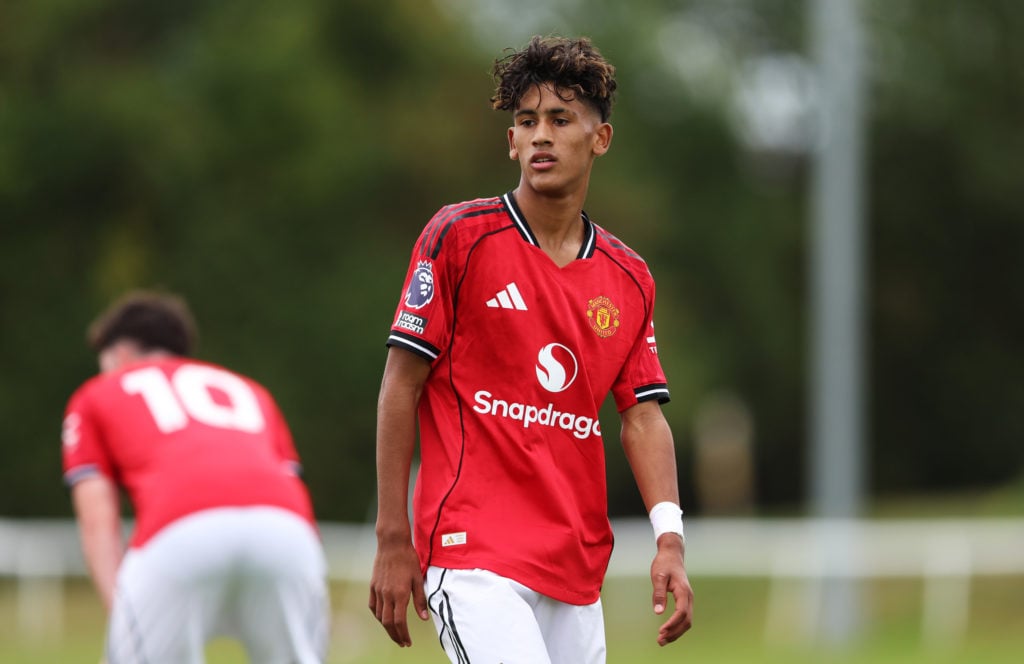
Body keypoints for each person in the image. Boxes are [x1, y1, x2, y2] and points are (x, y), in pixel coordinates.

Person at [369, 35, 693, 663]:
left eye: (560, 119)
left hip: (573, 568)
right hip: (472, 554)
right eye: (527, 121)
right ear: (511, 142)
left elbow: (643, 416)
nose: (540, 135)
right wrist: (392, 536)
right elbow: (400, 385)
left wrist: (670, 540)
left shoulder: (629, 278)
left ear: (599, 139)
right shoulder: (459, 237)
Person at [61, 290, 330, 664]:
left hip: (178, 532)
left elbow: (97, 522)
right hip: (287, 531)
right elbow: (290, 483)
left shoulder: (95, 394)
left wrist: (124, 616)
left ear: (121, 355)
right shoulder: (251, 390)